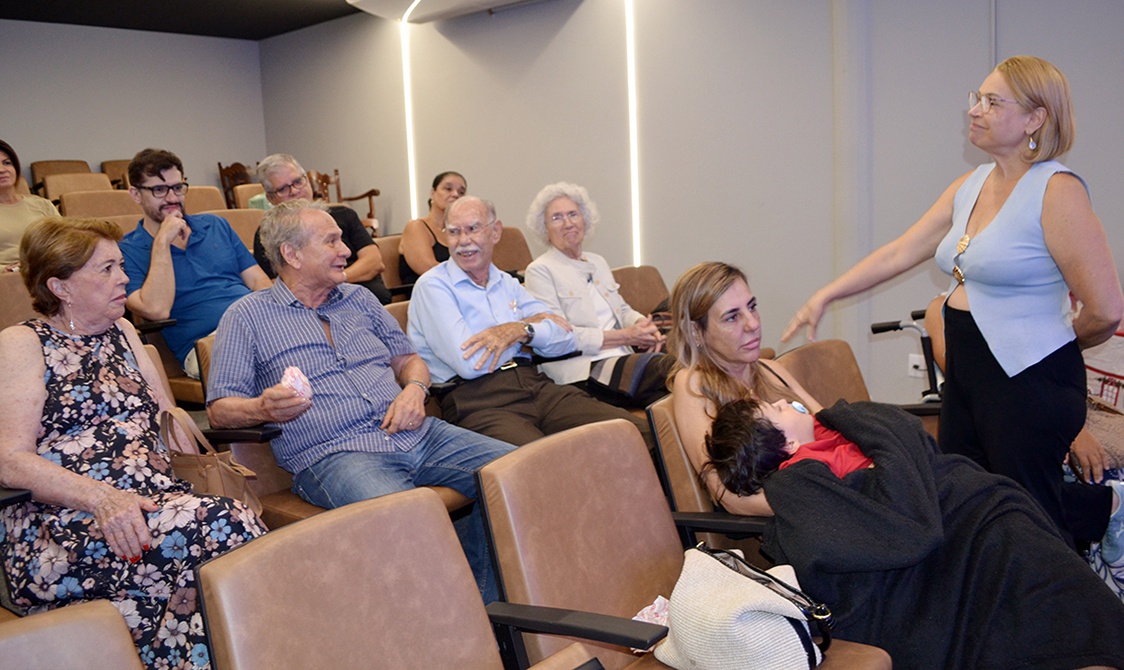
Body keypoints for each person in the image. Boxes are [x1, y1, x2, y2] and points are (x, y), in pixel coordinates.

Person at [668, 261, 1124, 669]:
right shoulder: (694, 386)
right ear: (696, 331)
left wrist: (893, 473)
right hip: (836, 527)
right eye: (732, 317)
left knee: (1004, 519)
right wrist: (843, 505)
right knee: (991, 548)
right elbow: (731, 496)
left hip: (871, 503)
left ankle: (1084, 639)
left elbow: (836, 427)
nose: (752, 324)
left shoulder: (771, 371)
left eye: (752, 306)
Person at [782, 56, 1124, 548]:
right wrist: (828, 293)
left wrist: (1053, 346)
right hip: (968, 375)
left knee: (1029, 524)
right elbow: (901, 250)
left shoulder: (1057, 192)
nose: (975, 110)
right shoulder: (972, 184)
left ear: (1035, 118)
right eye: (976, 98)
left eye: (992, 101)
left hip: (1029, 379)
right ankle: (1086, 526)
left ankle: (1066, 613)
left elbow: (1106, 309)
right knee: (966, 507)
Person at [205, 199, 515, 602]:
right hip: (336, 454)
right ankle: (463, 621)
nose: (347, 250)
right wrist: (261, 408)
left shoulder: (360, 299)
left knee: (517, 474)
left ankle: (485, 608)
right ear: (291, 254)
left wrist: (414, 390)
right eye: (332, 241)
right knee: (410, 518)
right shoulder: (246, 317)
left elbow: (409, 360)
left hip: (417, 432)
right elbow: (218, 409)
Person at [0, 218, 266, 670]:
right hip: (67, 522)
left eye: (121, 265)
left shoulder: (123, 331)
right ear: (60, 286)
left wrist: (205, 468)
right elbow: (9, 461)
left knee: (209, 560)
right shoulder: (22, 344)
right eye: (105, 270)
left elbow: (167, 418)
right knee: (228, 528)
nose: (124, 278)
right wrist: (104, 497)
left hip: (156, 506)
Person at [408, 195, 653, 447]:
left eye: (473, 229)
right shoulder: (433, 286)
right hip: (478, 401)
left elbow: (565, 338)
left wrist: (521, 330)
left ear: (495, 232)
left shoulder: (507, 283)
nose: (463, 241)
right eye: (454, 232)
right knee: (543, 465)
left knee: (636, 433)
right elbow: (471, 363)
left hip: (535, 385)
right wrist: (530, 333)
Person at [119, 148, 272, 379]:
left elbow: (259, 281)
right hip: (206, 347)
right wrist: (161, 242)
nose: (172, 198)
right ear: (136, 194)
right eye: (159, 190)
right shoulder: (127, 250)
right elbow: (156, 310)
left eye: (178, 188)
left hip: (254, 326)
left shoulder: (215, 225)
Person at [523, 182, 670, 408]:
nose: (568, 223)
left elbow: (621, 309)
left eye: (573, 214)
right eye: (557, 218)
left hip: (622, 357)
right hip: (584, 369)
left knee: (667, 397)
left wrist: (644, 326)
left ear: (585, 219)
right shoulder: (540, 270)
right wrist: (627, 336)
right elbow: (558, 337)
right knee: (670, 369)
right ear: (544, 228)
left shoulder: (597, 262)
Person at [251, 153, 391, 304]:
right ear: (271, 198)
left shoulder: (344, 214)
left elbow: (374, 262)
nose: (294, 191)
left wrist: (336, 279)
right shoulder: (269, 234)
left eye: (298, 181)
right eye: (283, 188)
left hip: (372, 301)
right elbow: (276, 286)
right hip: (313, 310)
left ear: (308, 181)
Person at [703, 397, 873, 498]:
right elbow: (876, 473)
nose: (784, 401)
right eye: (778, 409)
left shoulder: (817, 427)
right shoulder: (812, 466)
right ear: (789, 444)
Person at [0, 140, 58, 270]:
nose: (2, 170)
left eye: (7, 163)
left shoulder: (42, 204)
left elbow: (63, 240)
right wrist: (5, 270)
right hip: (7, 279)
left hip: (46, 270)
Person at [398, 171, 465, 285]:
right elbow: (428, 268)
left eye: (461, 192)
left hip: (458, 288)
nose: (455, 194)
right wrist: (470, 276)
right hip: (427, 291)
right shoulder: (416, 226)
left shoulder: (461, 231)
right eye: (448, 189)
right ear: (432, 193)